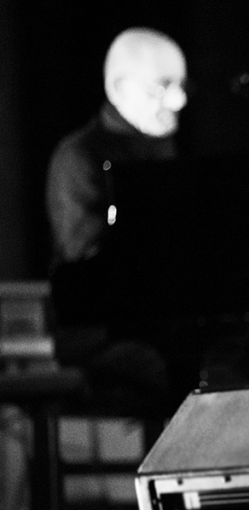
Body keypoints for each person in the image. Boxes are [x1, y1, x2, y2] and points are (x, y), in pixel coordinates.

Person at [45, 26, 194, 416]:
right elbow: (88, 262)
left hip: (160, 325)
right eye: (163, 86)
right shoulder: (77, 156)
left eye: (182, 85)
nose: (178, 100)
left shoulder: (164, 151)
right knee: (179, 372)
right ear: (120, 88)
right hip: (99, 334)